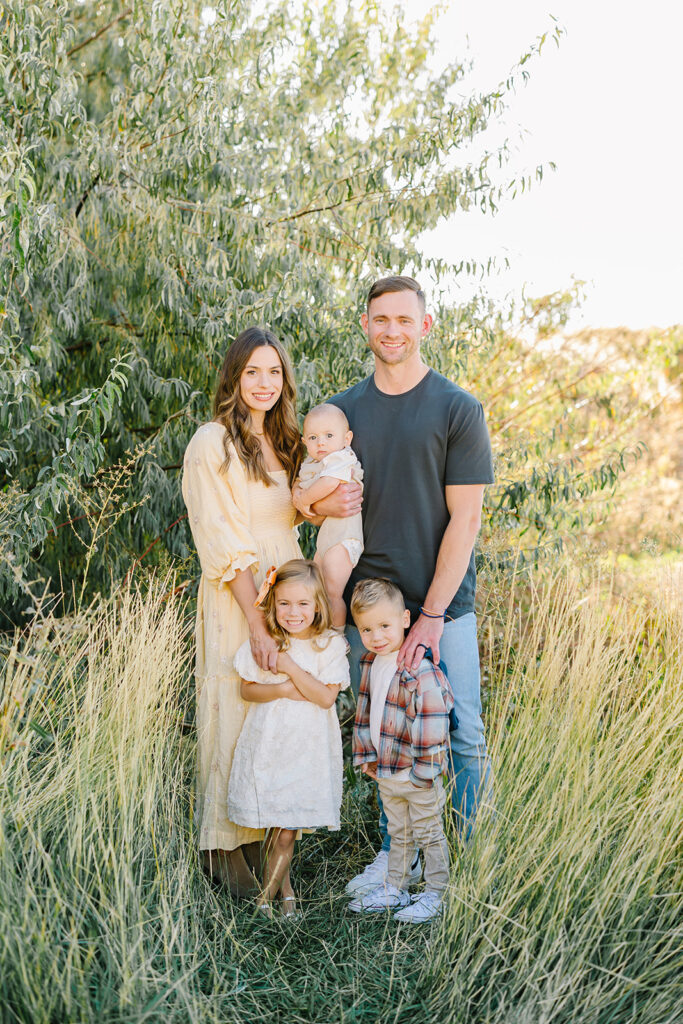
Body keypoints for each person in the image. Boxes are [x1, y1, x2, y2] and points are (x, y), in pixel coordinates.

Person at [293, 275, 494, 896]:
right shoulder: (341, 414)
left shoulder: (458, 408)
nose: (392, 331)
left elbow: (466, 520)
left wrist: (431, 613)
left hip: (441, 607)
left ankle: (467, 859)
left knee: (461, 732)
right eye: (381, 319)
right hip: (370, 609)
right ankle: (396, 854)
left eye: (404, 320)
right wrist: (321, 507)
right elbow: (301, 504)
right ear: (365, 326)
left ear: (424, 326)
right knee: (385, 734)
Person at [182, 326, 304, 895]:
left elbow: (302, 512)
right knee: (233, 706)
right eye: (252, 371)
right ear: (234, 376)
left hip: (288, 596)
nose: (264, 383)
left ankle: (260, 836)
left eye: (274, 372)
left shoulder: (288, 443)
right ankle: (222, 847)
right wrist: (256, 621)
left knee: (274, 721)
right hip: (240, 593)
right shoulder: (214, 443)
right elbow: (222, 536)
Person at [227, 559, 350, 917]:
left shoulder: (328, 646)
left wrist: (292, 669)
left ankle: (266, 902)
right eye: (284, 603)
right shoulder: (267, 641)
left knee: (286, 831)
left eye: (302, 604)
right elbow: (248, 691)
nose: (293, 613)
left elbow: (326, 698)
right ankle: (285, 890)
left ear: (317, 606)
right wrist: (282, 688)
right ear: (272, 603)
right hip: (270, 745)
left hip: (305, 750)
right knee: (274, 824)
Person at [347, 579, 455, 923]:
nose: (376, 636)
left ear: (406, 619)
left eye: (384, 626)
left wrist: (424, 772)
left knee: (428, 831)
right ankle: (397, 886)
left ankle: (436, 892)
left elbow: (434, 718)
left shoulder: (417, 668)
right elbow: (365, 713)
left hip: (417, 774)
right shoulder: (372, 663)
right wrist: (366, 755)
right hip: (387, 770)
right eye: (366, 629)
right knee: (398, 831)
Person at [297, 403, 364, 627]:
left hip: (344, 537)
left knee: (332, 592)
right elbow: (299, 481)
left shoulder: (341, 458)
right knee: (319, 588)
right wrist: (298, 493)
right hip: (327, 538)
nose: (321, 442)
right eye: (313, 438)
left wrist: (304, 499)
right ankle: (321, 630)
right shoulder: (312, 463)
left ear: (346, 438)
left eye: (328, 435)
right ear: (304, 441)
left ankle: (336, 635)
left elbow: (329, 482)